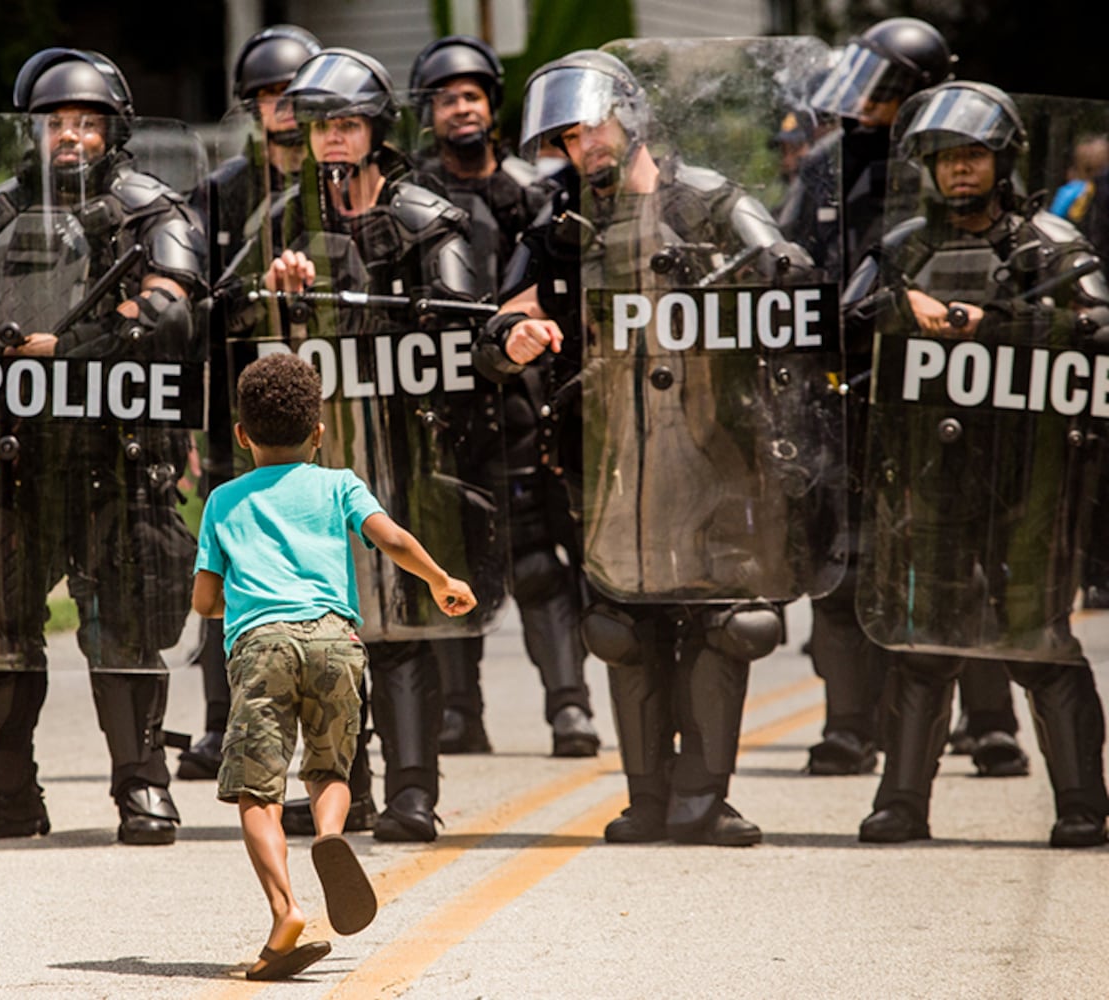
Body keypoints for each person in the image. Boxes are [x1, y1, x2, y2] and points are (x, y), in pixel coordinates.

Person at [474, 48, 823, 846]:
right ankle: (646, 797)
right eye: (564, 137)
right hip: (608, 458)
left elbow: (793, 278)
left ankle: (705, 798)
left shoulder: (705, 200)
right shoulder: (561, 225)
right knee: (621, 625)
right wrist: (514, 338)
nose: (580, 146)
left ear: (628, 115)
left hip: (715, 447)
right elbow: (495, 335)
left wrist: (766, 274)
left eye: (589, 126)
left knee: (724, 619)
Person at [0, 48, 206, 844]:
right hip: (13, 456)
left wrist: (68, 350)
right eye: (57, 123)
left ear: (113, 129)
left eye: (86, 122)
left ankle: (142, 788)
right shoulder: (0, 210)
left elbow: (169, 312)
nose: (71, 137)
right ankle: (6, 789)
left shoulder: (151, 209)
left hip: (116, 455)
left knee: (123, 618)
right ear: (35, 131)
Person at [223, 46, 491, 843]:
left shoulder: (423, 215)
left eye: (345, 124)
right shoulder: (279, 222)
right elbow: (228, 312)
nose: (331, 141)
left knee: (400, 620)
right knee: (330, 623)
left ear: (376, 129)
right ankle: (350, 786)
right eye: (317, 127)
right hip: (305, 464)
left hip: (403, 447)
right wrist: (279, 289)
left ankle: (413, 791)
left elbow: (462, 317)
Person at [844, 81, 1109, 847]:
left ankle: (1083, 804)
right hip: (929, 470)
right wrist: (900, 307)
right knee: (923, 639)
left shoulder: (1048, 243)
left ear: (1002, 159)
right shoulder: (905, 249)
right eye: (945, 157)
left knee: (1039, 638)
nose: (959, 170)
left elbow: (1095, 327)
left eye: (972, 155)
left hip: (1030, 474)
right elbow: (846, 322)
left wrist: (986, 324)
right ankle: (901, 801)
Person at [781, 17, 1022, 779]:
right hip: (850, 387)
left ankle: (989, 723)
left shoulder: (960, 167)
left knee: (967, 559)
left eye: (881, 93)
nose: (862, 107)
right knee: (844, 562)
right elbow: (788, 268)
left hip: (956, 385)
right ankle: (849, 725)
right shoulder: (825, 167)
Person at [192, 352, 476, 980]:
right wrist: (440, 579)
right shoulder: (338, 482)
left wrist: (236, 597)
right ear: (318, 432)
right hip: (335, 640)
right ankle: (328, 836)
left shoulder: (222, 500)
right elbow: (391, 537)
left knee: (256, 790)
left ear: (242, 436)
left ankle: (286, 910)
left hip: (262, 644)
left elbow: (205, 600)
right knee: (330, 766)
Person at [408, 34, 599, 758]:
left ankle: (570, 708)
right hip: (443, 400)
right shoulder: (413, 196)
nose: (461, 108)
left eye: (472, 94)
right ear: (429, 114)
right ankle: (460, 711)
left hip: (526, 397)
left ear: (493, 103)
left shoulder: (536, 191)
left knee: (538, 562)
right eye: (446, 97)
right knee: (449, 553)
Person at [177, 23, 323, 784]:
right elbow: (192, 307)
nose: (285, 109)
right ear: (252, 106)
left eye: (297, 94)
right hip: (239, 403)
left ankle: (336, 727)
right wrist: (191, 428)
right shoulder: (220, 192)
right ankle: (219, 723)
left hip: (334, 408)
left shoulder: (342, 180)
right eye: (270, 96)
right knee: (228, 563)